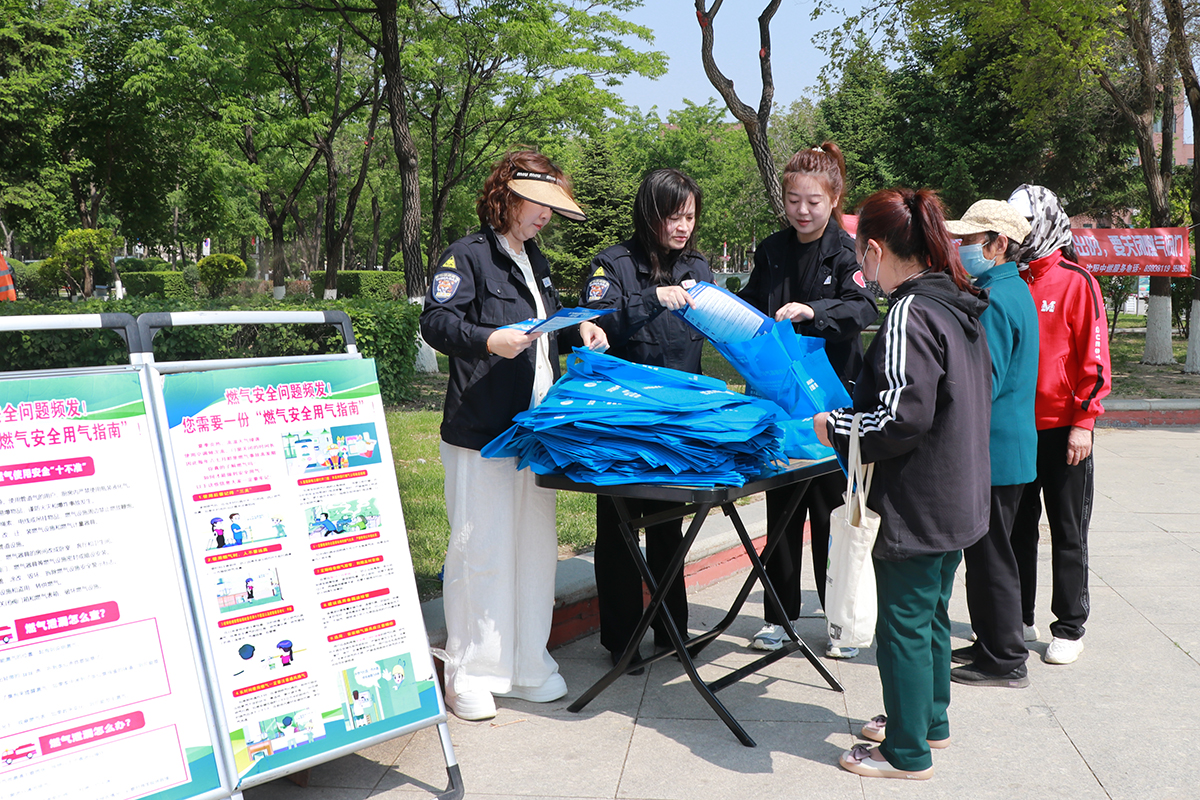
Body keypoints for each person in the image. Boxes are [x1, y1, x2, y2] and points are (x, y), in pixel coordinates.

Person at [420, 149, 607, 721]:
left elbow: (544, 323)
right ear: (507, 195)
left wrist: (582, 328)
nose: (546, 216)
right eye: (538, 204)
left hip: (535, 430)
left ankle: (527, 662)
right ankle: (471, 672)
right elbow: (436, 321)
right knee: (481, 549)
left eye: (553, 207)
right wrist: (486, 339)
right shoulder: (467, 256)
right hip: (483, 431)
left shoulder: (535, 259)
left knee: (533, 549)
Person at [814, 187, 991, 780]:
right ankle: (928, 721)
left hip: (917, 498)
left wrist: (833, 425)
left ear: (873, 250)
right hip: (958, 495)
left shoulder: (909, 313)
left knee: (905, 626)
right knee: (931, 616)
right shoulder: (959, 304)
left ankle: (906, 751)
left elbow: (899, 416)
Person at [737, 142, 877, 657]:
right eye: (793, 199)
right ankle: (779, 616)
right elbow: (750, 304)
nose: (802, 210)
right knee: (782, 513)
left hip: (835, 399)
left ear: (835, 197)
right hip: (779, 399)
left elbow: (860, 307)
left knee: (832, 514)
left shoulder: (848, 251)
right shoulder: (771, 249)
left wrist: (811, 312)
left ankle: (839, 621)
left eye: (813, 202)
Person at [581, 168, 712, 671]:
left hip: (679, 418)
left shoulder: (698, 265)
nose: (683, 227)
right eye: (674, 216)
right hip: (623, 419)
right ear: (650, 214)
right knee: (618, 529)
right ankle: (622, 640)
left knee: (668, 529)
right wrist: (648, 298)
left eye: (691, 217)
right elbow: (590, 322)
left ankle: (672, 629)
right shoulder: (613, 264)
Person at [1007, 184, 1110, 666]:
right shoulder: (1009, 280)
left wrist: (1084, 422)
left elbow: (1095, 359)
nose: (1015, 233)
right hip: (1016, 430)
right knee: (1015, 529)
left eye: (1023, 224)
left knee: (1068, 530)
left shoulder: (1075, 281)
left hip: (1065, 429)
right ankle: (1016, 618)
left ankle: (1069, 626)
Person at [944, 200, 1039, 688]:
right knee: (989, 554)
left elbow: (987, 379)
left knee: (991, 557)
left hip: (995, 449)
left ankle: (1004, 658)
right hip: (1005, 447)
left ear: (999, 245)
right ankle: (991, 642)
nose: (961, 248)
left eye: (969, 240)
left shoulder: (997, 298)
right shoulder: (1003, 288)